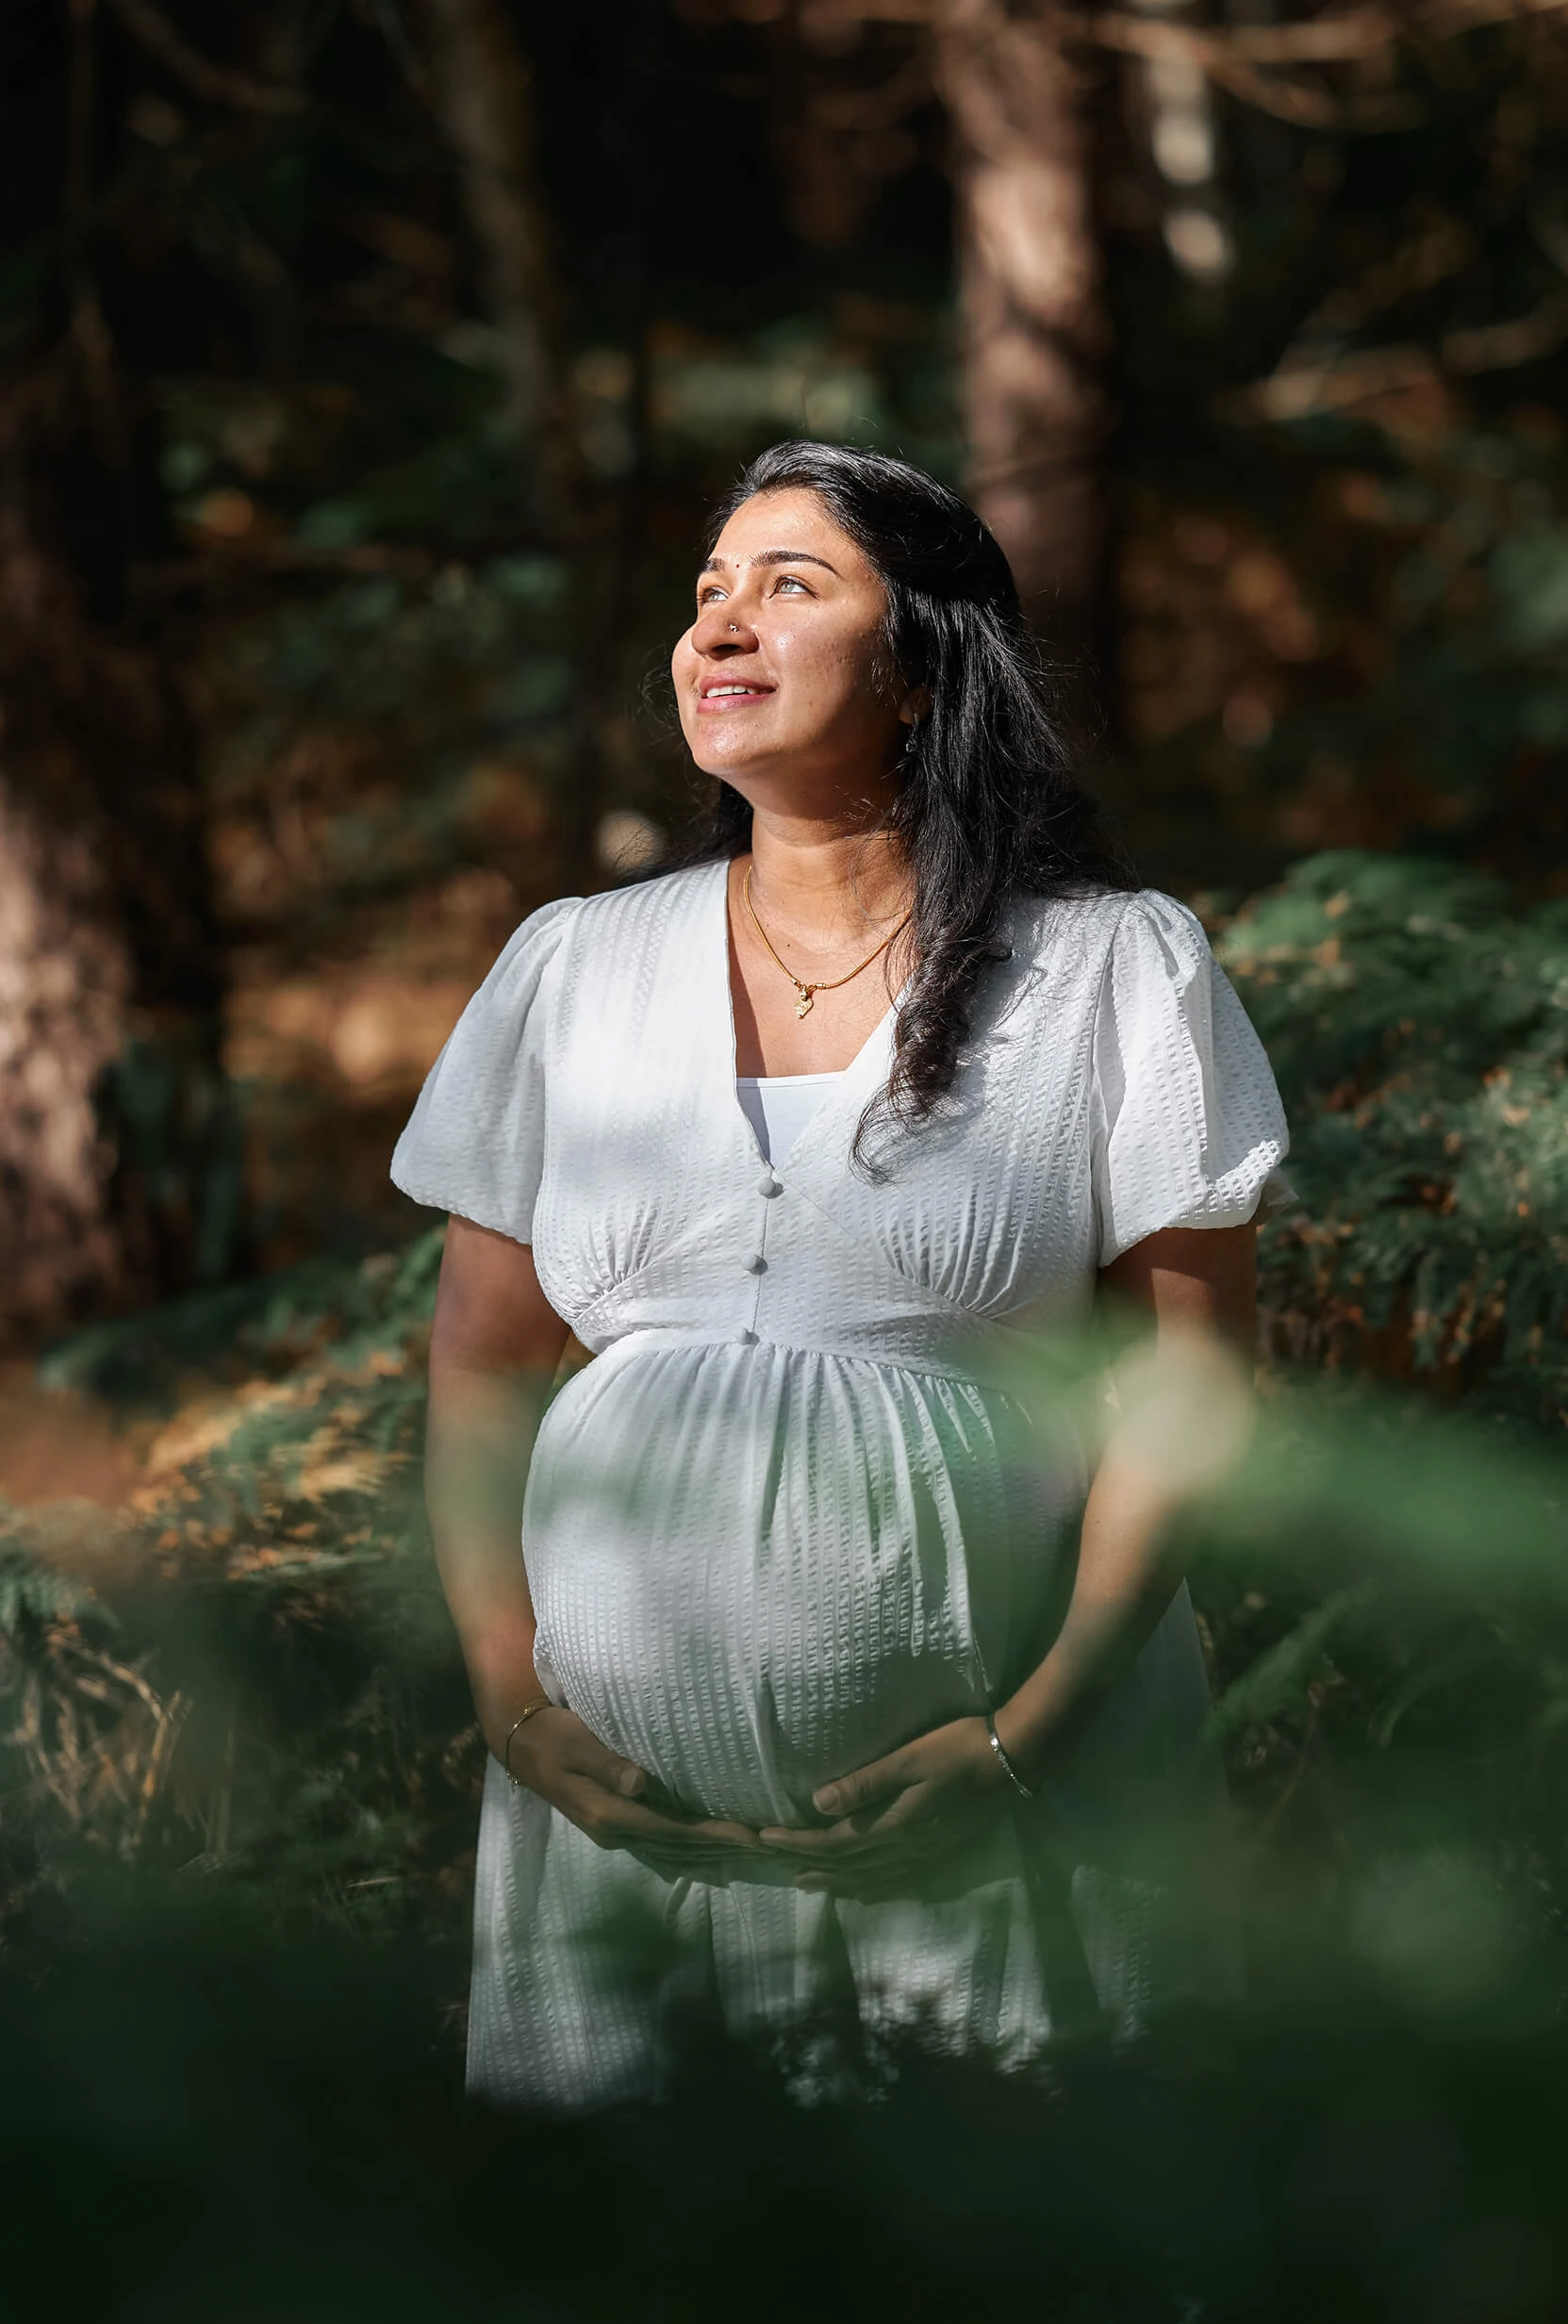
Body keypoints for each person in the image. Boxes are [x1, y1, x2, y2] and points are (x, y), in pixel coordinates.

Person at [391, 442, 1290, 2111]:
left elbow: (1190, 1391)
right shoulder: (570, 967)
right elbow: (484, 1364)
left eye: (788, 586)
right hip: (625, 1855)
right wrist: (514, 1702)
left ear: (924, 668)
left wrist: (1032, 1731)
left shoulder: (1108, 968)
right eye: (705, 594)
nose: (720, 626)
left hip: (1010, 1829)